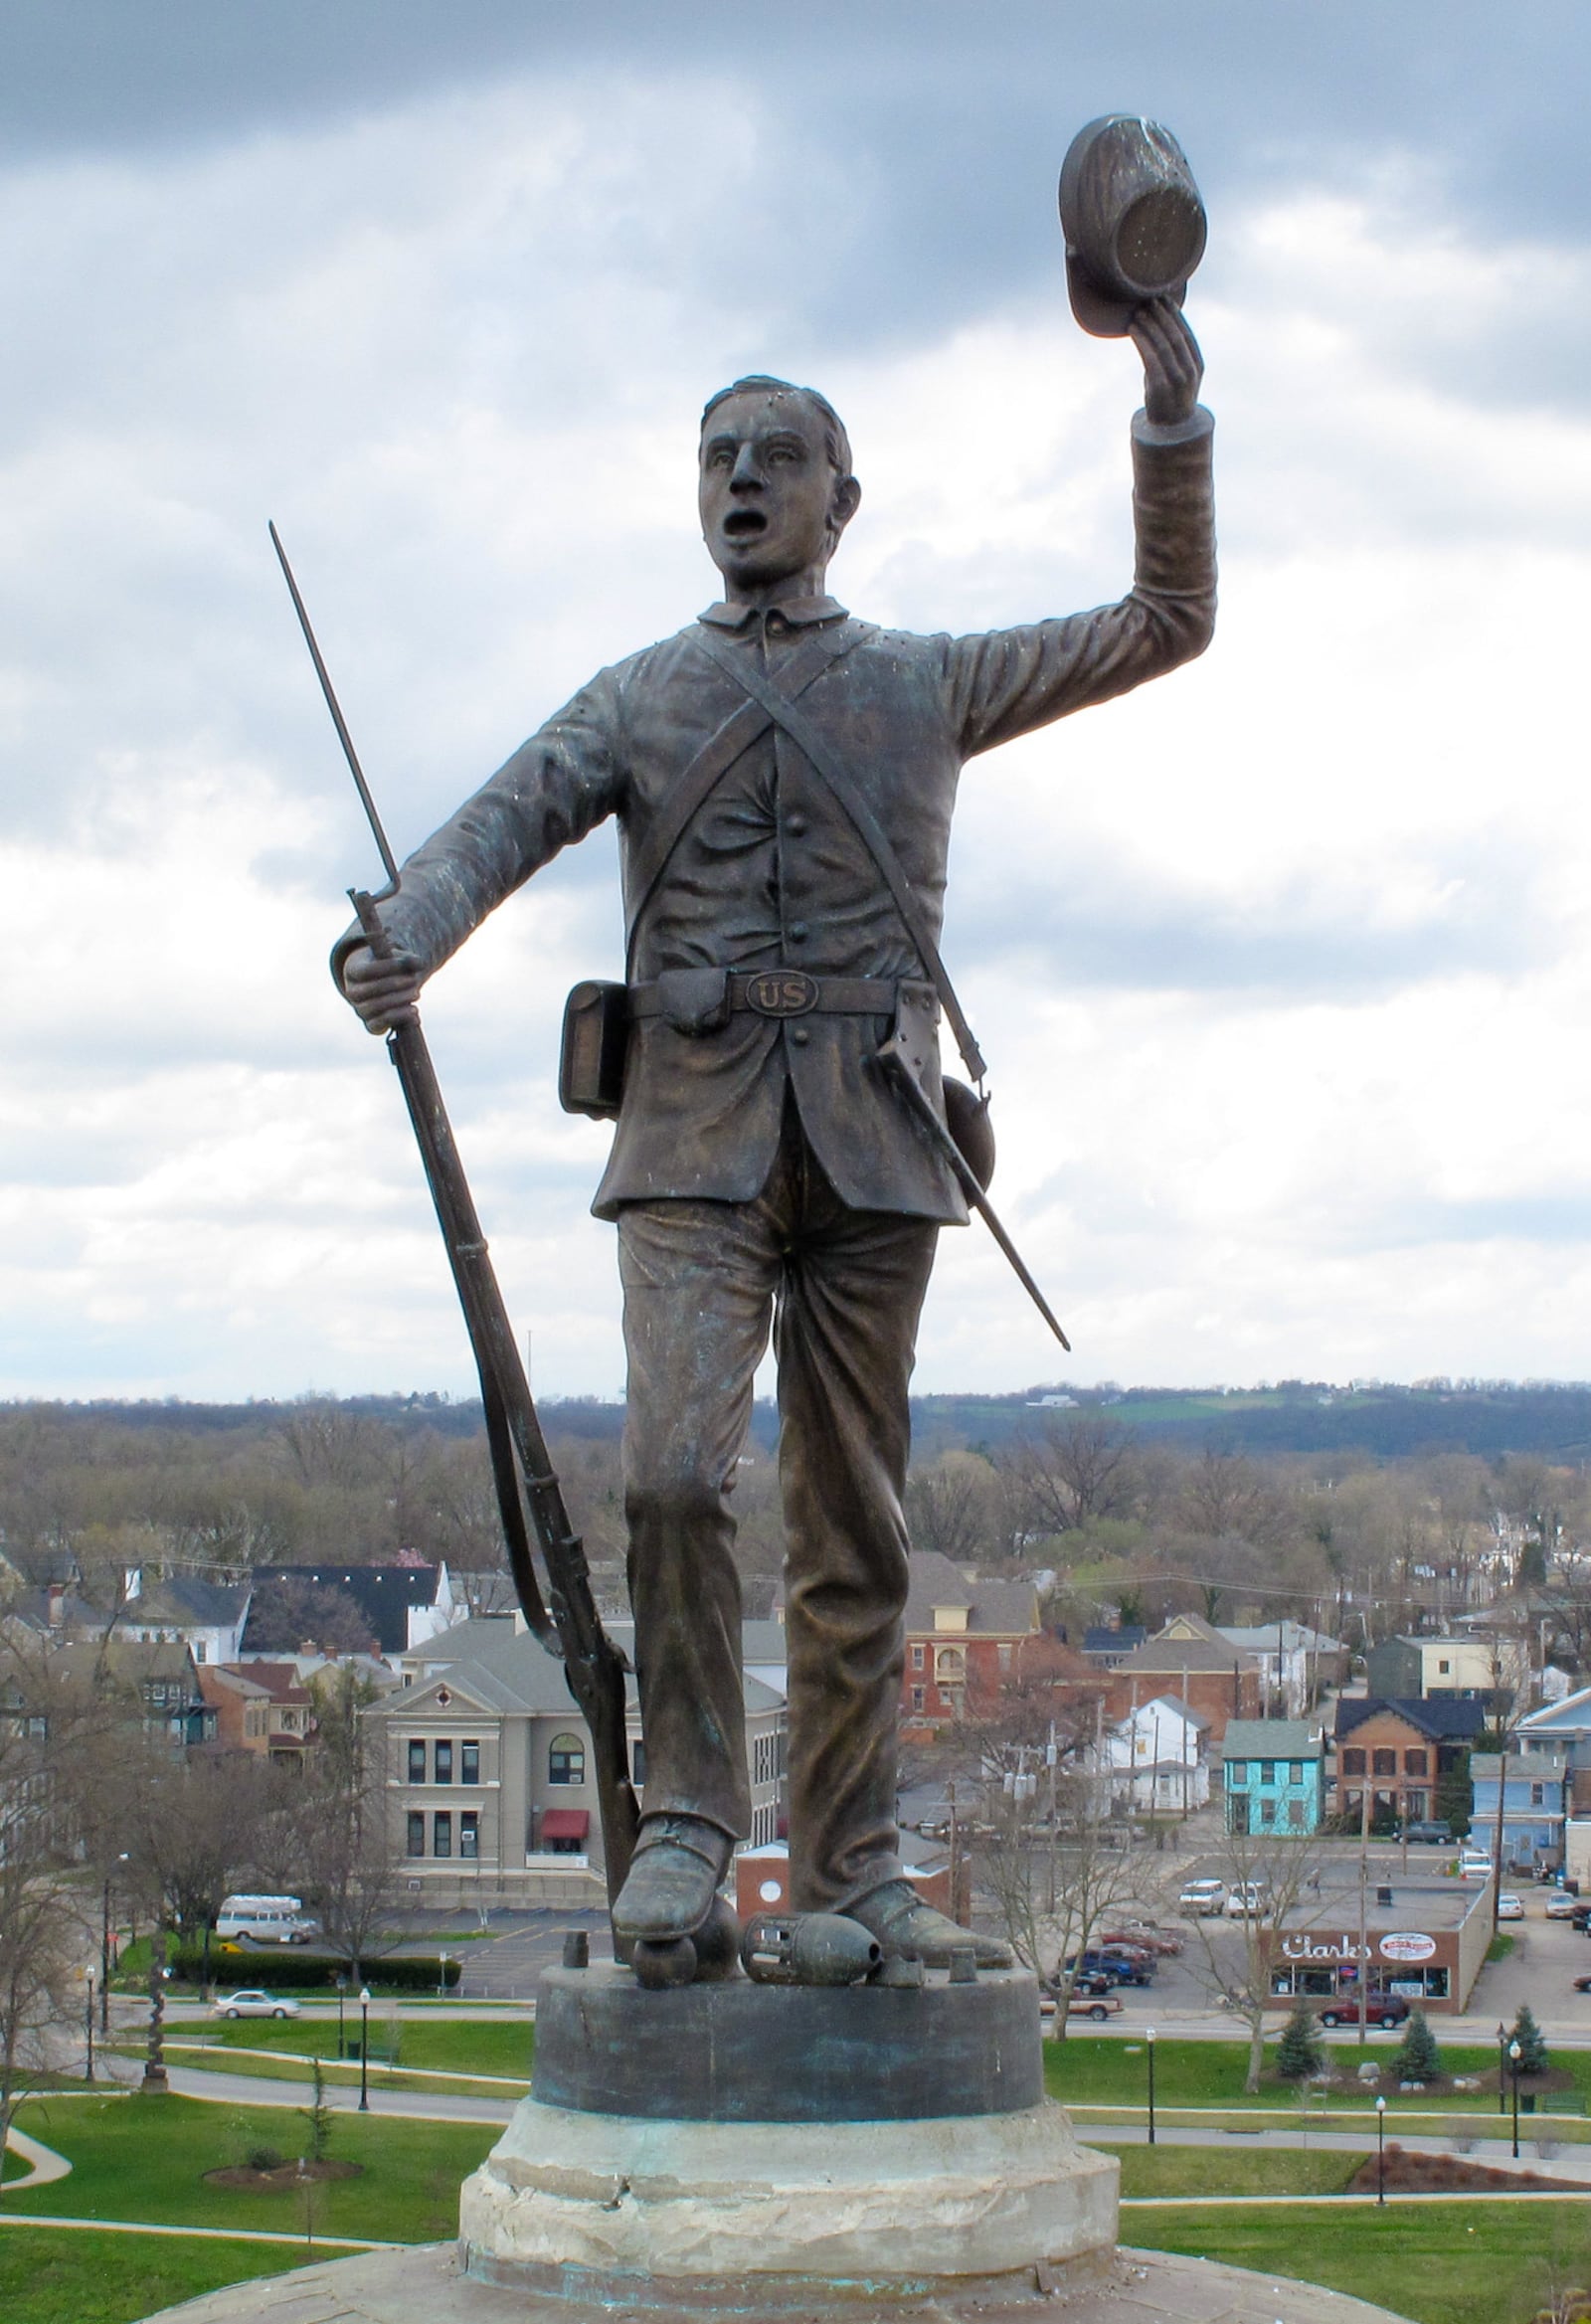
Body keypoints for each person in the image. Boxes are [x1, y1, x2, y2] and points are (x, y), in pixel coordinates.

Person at [336, 298, 1214, 1968]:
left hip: (878, 1134)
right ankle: (684, 1824)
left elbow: (1169, 617)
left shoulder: (926, 680)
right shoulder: (638, 693)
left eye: (778, 457)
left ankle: (853, 1868)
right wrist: (404, 935)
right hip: (691, 1129)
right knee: (671, 1480)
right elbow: (497, 822)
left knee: (855, 1517)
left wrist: (1169, 417)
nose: (743, 481)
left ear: (843, 499)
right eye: (717, 459)